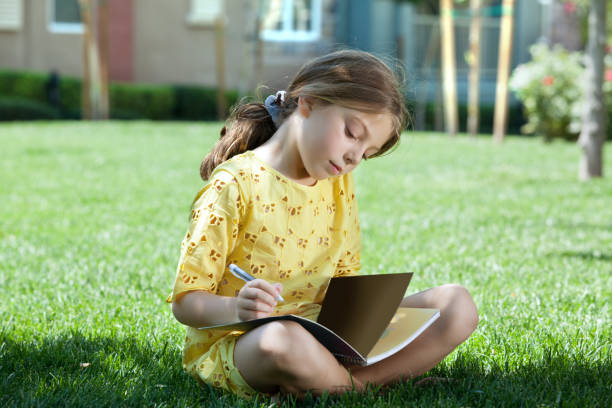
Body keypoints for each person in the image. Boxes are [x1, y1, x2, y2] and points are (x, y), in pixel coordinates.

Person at [168, 49, 478, 399]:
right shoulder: (234, 185)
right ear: (308, 103)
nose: (353, 158)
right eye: (351, 133)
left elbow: (344, 279)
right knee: (281, 340)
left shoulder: (337, 183)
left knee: (456, 304)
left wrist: (360, 318)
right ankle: (356, 387)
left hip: (324, 336)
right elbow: (186, 303)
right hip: (245, 345)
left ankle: (340, 382)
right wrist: (238, 308)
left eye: (367, 154)